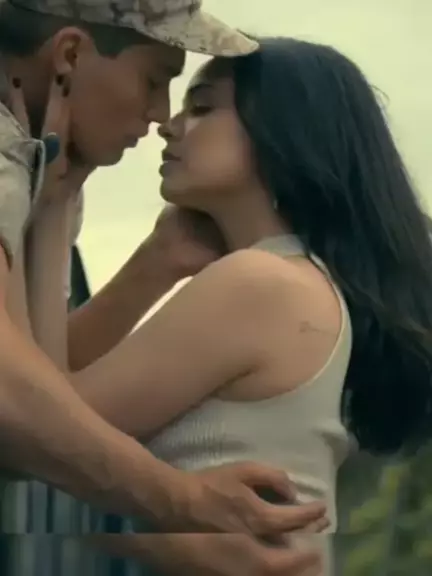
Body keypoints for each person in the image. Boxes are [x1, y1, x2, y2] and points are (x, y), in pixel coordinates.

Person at [61, 35, 432, 574]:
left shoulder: (259, 284)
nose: (169, 125)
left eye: (202, 107)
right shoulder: (295, 281)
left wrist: (55, 198)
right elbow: (48, 394)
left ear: (283, 134)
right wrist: (154, 264)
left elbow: (36, 435)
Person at [0, 1, 326, 575]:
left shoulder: (42, 171)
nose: (160, 117)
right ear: (69, 56)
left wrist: (147, 263)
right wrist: (183, 504)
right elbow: (17, 400)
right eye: (155, 81)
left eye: (197, 105)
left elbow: (39, 382)